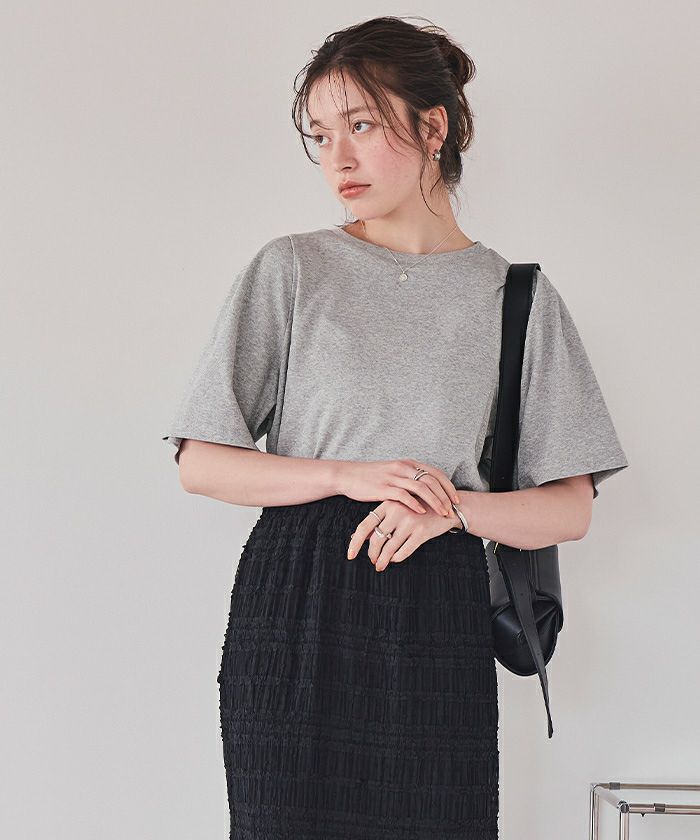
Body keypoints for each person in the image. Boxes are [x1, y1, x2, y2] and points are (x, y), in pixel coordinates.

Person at [162, 15, 629, 839]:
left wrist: (453, 509)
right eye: (321, 135)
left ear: (433, 127)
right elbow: (201, 461)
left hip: (435, 607)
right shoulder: (292, 269)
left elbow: (570, 507)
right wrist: (345, 474)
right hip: (296, 602)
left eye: (361, 125)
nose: (337, 158)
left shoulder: (515, 296)